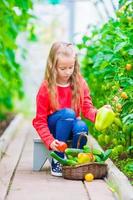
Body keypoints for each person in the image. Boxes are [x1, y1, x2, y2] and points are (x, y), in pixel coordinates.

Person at [33, 42, 98, 177]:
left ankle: (74, 161)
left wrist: (101, 114)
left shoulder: (80, 82)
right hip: (54, 128)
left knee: (81, 126)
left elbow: (87, 107)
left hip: (71, 125)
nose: (68, 72)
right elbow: (39, 121)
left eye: (71, 67)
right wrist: (50, 141)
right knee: (69, 113)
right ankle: (58, 159)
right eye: (63, 68)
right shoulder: (46, 88)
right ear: (53, 66)